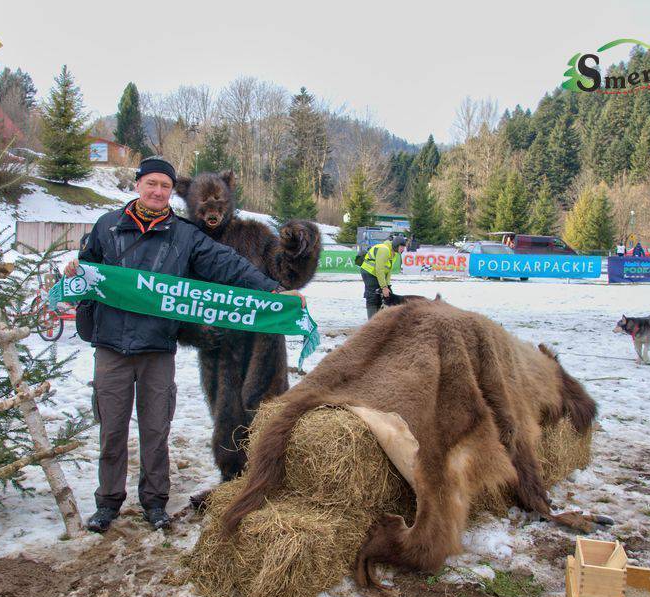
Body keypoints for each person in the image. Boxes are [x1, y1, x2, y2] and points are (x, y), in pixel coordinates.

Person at [64, 156, 304, 533]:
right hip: (112, 345)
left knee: (156, 431)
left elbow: (228, 264)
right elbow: (88, 269)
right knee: (111, 431)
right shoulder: (107, 225)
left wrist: (272, 290)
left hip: (157, 347)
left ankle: (154, 502)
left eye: (164, 185)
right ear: (138, 185)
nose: (157, 191)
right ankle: (107, 503)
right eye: (151, 184)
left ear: (171, 191)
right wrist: (74, 271)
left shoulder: (184, 235)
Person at [359, 234, 407, 319]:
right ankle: (372, 321)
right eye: (401, 247)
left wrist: (387, 285)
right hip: (369, 272)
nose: (403, 249)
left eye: (404, 247)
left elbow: (388, 271)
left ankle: (378, 318)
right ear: (396, 245)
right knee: (373, 295)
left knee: (382, 296)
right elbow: (379, 269)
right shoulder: (384, 250)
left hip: (377, 273)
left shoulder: (394, 254)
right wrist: (384, 287)